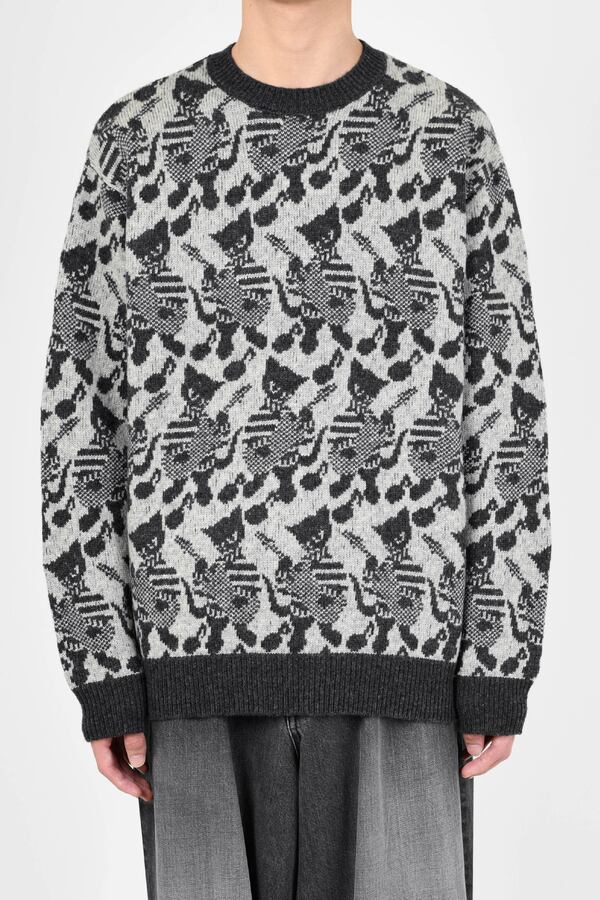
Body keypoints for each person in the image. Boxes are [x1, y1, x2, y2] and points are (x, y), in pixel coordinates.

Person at [40, 0, 551, 897]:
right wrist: (103, 665)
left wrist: (499, 656)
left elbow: (506, 407)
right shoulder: (137, 141)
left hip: (405, 669)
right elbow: (80, 413)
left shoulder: (449, 137)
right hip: (191, 671)